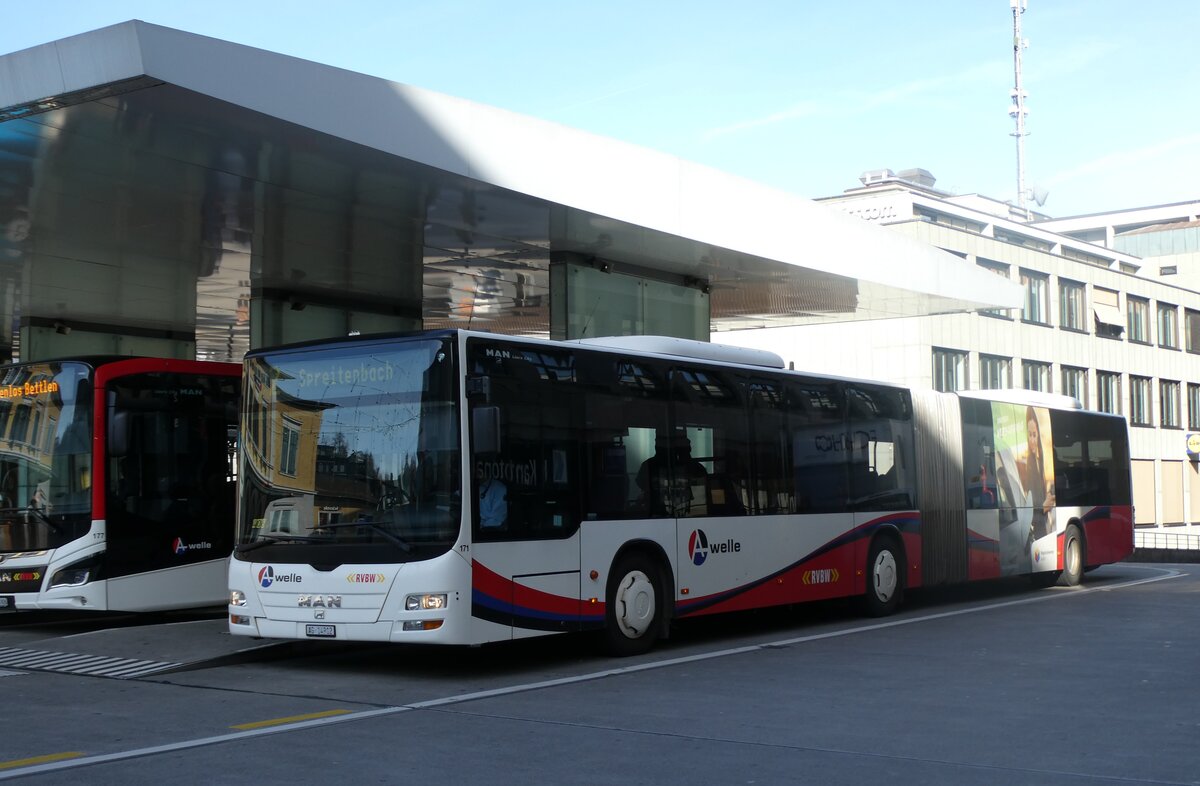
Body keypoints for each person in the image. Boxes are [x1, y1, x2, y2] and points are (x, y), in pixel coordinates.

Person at [636, 434, 708, 516]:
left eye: (684, 449)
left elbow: (703, 488)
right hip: (657, 511)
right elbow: (641, 483)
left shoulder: (696, 467)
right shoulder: (649, 465)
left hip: (690, 510)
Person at [1020, 407, 1055, 540]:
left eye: (1034, 435)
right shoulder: (1028, 466)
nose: (1032, 440)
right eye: (1030, 435)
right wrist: (1044, 506)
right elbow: (1029, 512)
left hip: (1045, 528)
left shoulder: (1040, 461)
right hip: (1037, 532)